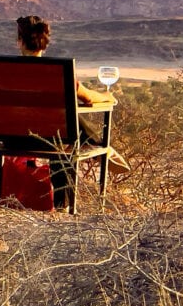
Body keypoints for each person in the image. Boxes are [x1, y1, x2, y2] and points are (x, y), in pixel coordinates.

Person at [15, 15, 127, 208]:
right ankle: (102, 150)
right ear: (45, 44)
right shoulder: (57, 72)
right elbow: (88, 98)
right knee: (65, 135)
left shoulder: (5, 71)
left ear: (20, 42)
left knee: (64, 131)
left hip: (13, 138)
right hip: (52, 138)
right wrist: (106, 97)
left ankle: (103, 150)